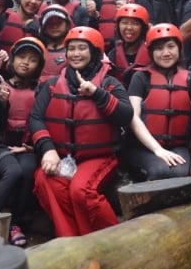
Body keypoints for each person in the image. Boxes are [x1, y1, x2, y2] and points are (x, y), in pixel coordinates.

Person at [29, 26, 133, 237]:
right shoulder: (51, 85)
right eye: (71, 49)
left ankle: (113, 240)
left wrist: (96, 93)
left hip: (99, 157)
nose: (75, 54)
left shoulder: (109, 83)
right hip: (63, 156)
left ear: (94, 52)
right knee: (44, 179)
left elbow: (126, 115)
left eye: (82, 48)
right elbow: (36, 118)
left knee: (80, 190)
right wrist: (48, 149)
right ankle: (69, 240)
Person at [0, 37, 45, 247]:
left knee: (27, 170)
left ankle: (14, 224)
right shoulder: (0, 85)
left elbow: (41, 121)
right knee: (13, 172)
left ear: (38, 66)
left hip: (25, 146)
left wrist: (32, 147)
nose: (26, 62)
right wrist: (3, 103)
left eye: (32, 60)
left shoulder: (41, 90)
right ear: (13, 60)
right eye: (22, 57)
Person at [122, 23, 191, 181]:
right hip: (142, 147)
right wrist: (158, 150)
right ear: (151, 52)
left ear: (179, 48)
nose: (165, 53)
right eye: (159, 48)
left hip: (177, 146)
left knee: (179, 172)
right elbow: (133, 117)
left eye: (171, 47)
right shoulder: (140, 78)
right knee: (159, 171)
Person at [107, 3, 151, 89]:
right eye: (124, 22)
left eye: (135, 23)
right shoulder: (113, 54)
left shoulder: (152, 53)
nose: (129, 27)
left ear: (143, 28)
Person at [37, 4, 71, 82]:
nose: (54, 26)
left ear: (67, 25)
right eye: (50, 23)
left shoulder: (74, 51)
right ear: (44, 28)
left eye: (59, 23)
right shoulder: (38, 51)